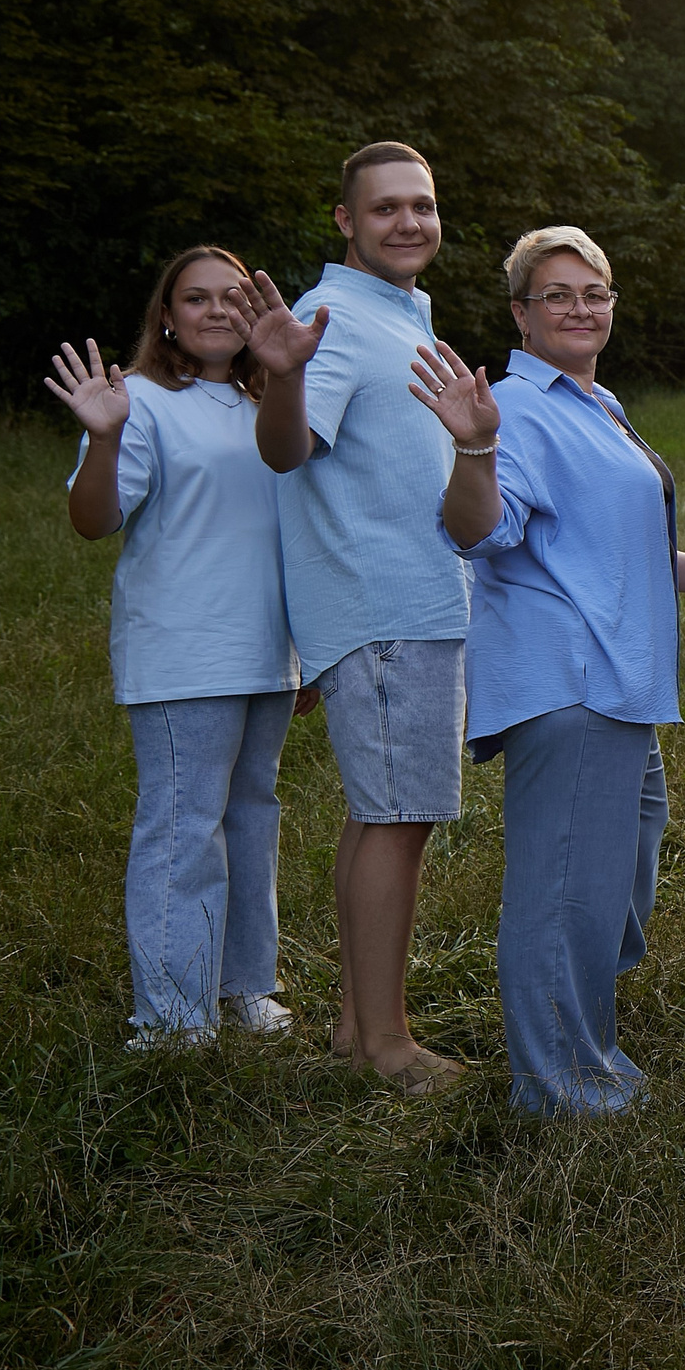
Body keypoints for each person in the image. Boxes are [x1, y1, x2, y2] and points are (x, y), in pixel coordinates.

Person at [407, 228, 685, 1114]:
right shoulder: (516, 409)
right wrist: (476, 449)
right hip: (569, 680)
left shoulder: (593, 405)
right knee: (564, 892)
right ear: (520, 313)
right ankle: (563, 1087)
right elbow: (479, 533)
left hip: (621, 685)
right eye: (556, 294)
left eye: (593, 292)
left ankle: (576, 1046)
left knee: (613, 890)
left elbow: (606, 546)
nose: (579, 308)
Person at [231, 141, 473, 1095]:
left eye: (422, 204)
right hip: (382, 611)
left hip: (414, 606)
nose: (408, 222)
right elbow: (285, 452)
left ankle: (353, 1024)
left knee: (386, 818)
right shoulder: (328, 322)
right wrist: (284, 373)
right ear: (345, 221)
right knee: (396, 819)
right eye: (385, 209)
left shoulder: (397, 312)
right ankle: (387, 1045)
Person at [47, 247, 305, 1050]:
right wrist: (101, 440)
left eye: (233, 297)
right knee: (184, 825)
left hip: (269, 652)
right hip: (184, 651)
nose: (217, 311)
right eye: (196, 299)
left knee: (251, 818)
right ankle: (171, 1018)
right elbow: (95, 521)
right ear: (167, 316)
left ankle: (244, 987)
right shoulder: (142, 403)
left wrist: (307, 647)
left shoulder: (276, 405)